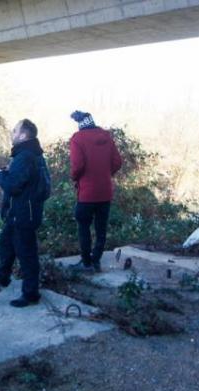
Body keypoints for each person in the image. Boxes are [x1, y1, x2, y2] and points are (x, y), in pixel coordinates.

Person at [0, 119, 51, 308]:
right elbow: (26, 181)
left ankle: (31, 294)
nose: (11, 133)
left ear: (23, 135)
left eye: (14, 130)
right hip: (20, 213)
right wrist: (10, 171)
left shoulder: (25, 157)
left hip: (24, 215)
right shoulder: (32, 155)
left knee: (27, 254)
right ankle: (2, 276)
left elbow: (13, 186)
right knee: (6, 244)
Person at [68, 111, 122, 272]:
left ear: (80, 124)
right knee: (101, 228)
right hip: (105, 192)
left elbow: (77, 166)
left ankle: (86, 263)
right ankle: (96, 261)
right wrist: (105, 173)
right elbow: (117, 162)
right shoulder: (106, 136)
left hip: (86, 193)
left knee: (83, 227)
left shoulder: (77, 139)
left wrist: (74, 177)